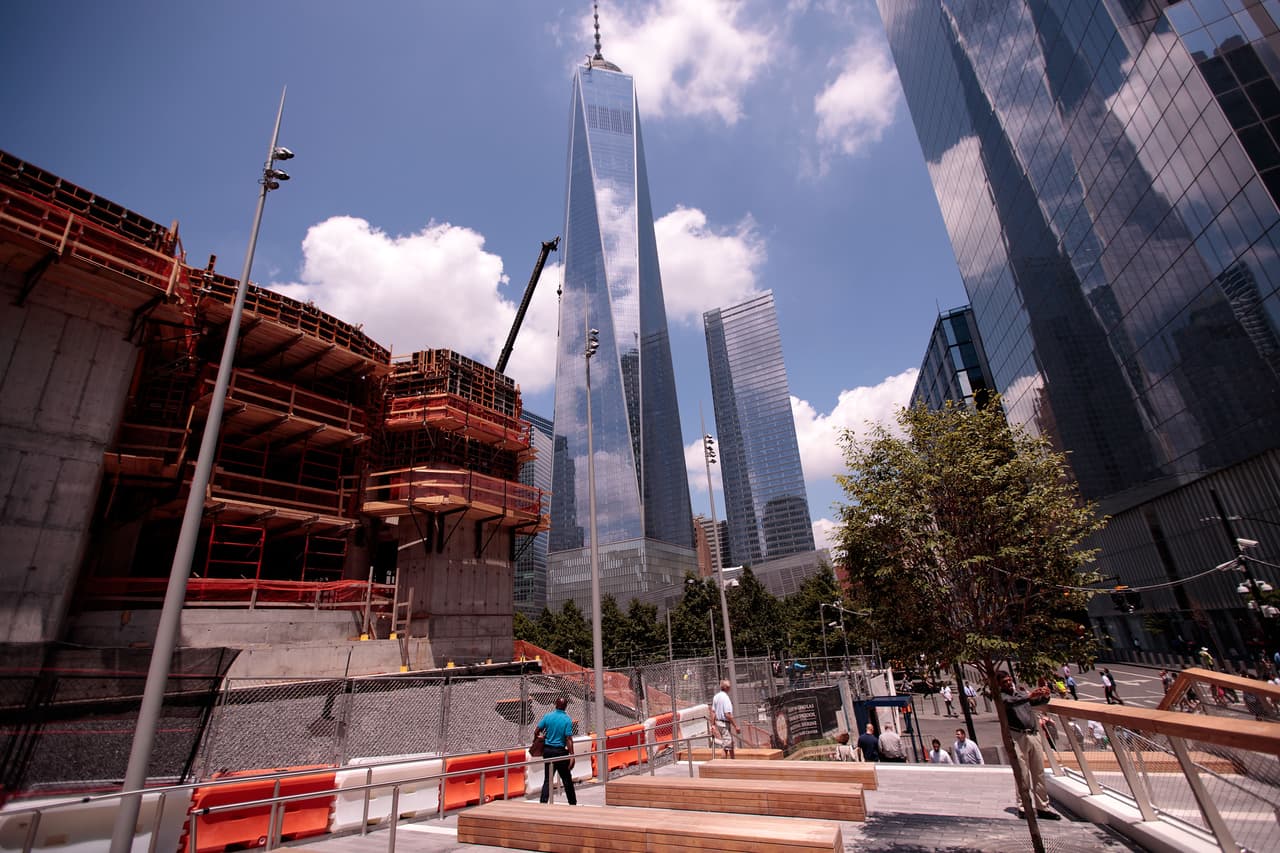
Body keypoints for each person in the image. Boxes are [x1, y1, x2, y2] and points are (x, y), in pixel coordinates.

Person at [999, 671, 1059, 820]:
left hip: (1033, 734)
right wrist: (1029, 695)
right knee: (1022, 773)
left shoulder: (1020, 692)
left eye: (1008, 680)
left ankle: (1042, 807)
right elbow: (1011, 703)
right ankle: (1023, 806)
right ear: (999, 684)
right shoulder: (1002, 696)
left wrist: (1045, 694)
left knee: (1038, 771)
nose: (1008, 683)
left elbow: (1035, 702)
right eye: (1004, 681)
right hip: (1017, 736)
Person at [536, 697, 576, 805]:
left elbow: (537, 730)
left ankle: (543, 802)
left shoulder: (548, 716)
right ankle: (572, 803)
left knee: (548, 779)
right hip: (560, 752)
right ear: (566, 706)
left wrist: (539, 738)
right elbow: (568, 738)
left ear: (555, 704)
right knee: (566, 779)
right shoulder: (567, 719)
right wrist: (572, 754)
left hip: (548, 751)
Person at [711, 679, 741, 758]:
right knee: (726, 746)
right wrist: (736, 726)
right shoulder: (725, 698)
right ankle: (723, 764)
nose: (730, 688)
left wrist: (713, 724)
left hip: (719, 722)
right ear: (726, 687)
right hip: (724, 724)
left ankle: (733, 762)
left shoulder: (716, 697)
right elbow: (727, 714)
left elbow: (713, 712)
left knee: (729, 743)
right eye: (729, 687)